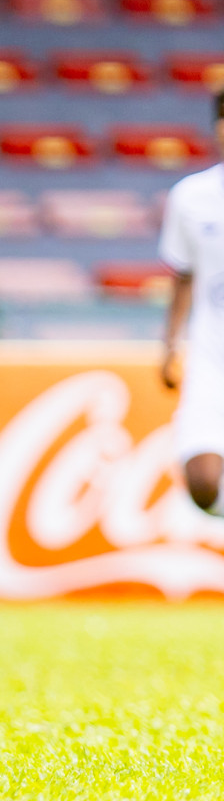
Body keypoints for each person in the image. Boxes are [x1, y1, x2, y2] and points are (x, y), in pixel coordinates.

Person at [159, 92, 224, 519]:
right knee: (203, 483)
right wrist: (170, 347)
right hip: (210, 358)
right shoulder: (191, 196)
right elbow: (183, 278)